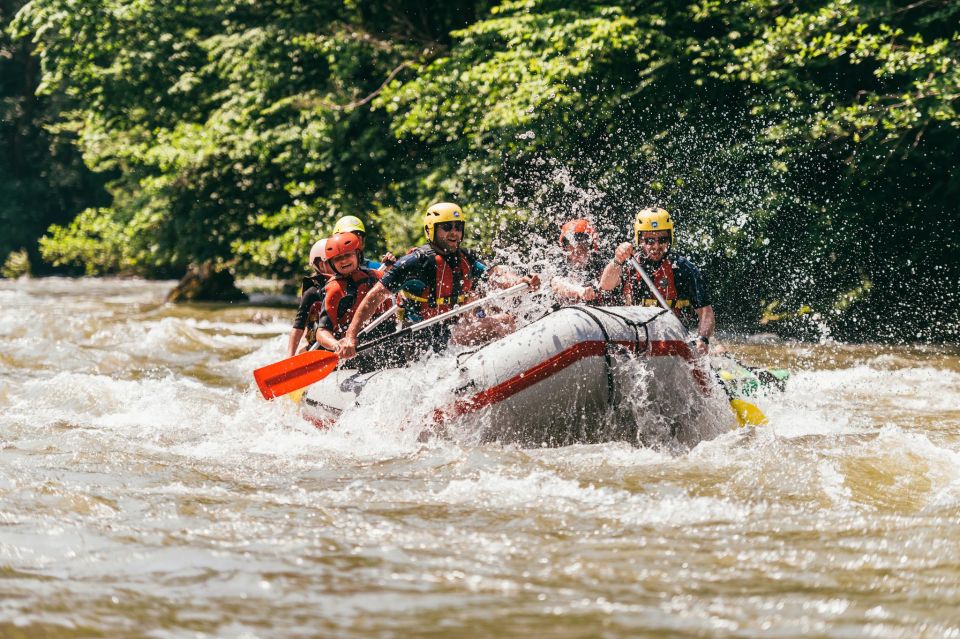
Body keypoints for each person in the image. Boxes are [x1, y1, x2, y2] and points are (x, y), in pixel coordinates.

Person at [335, 202, 540, 362]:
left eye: (458, 227)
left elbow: (494, 274)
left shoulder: (465, 258)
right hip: (422, 338)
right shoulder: (414, 263)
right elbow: (375, 296)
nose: (454, 232)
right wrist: (351, 336)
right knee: (496, 326)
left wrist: (518, 281)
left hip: (452, 328)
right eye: (447, 227)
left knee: (507, 319)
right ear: (431, 230)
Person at [599, 207, 715, 355]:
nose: (656, 246)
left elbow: (706, 311)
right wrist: (617, 260)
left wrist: (703, 339)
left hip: (675, 337)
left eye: (662, 240)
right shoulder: (630, 264)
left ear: (669, 239)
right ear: (640, 240)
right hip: (637, 338)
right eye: (649, 240)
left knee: (714, 348)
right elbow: (605, 286)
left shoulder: (684, 269)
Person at [287, 238, 333, 357]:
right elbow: (298, 327)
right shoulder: (312, 292)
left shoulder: (348, 283)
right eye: (333, 260)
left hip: (337, 340)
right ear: (322, 265)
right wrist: (289, 356)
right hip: (316, 345)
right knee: (303, 351)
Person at [550, 218, 608, 304]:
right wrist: (578, 291)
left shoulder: (598, 262)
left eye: (583, 243)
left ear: (590, 247)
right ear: (564, 248)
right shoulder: (560, 262)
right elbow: (556, 283)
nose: (577, 249)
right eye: (570, 244)